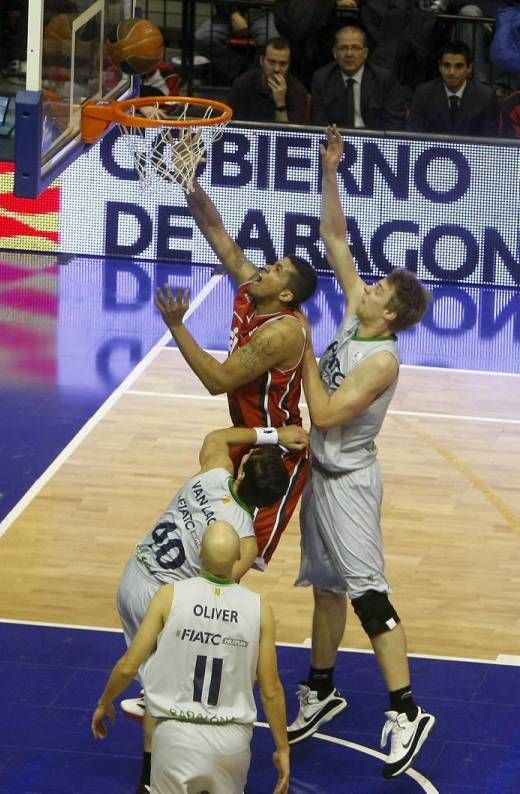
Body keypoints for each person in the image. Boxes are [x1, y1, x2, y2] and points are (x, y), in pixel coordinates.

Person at [287, 126, 436, 780]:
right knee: (324, 589)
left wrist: (299, 347)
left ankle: (407, 711)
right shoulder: (354, 314)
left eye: (379, 291)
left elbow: (320, 412)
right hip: (319, 477)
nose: (367, 286)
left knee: (369, 596)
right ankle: (322, 689)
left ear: (392, 316)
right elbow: (336, 240)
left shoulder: (380, 361)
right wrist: (329, 170)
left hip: (348, 482)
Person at [117, 424, 307, 792]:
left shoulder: (212, 474)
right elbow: (211, 586)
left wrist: (274, 436)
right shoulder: (245, 543)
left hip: (132, 576)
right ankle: (150, 776)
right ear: (268, 505)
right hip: (160, 599)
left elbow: (218, 437)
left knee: (159, 682)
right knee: (172, 696)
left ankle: (152, 697)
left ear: (243, 466)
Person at [154, 188, 318, 568]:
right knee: (205, 538)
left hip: (276, 452)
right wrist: (187, 178)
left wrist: (177, 326)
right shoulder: (252, 292)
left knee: (237, 559)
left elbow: (218, 380)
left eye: (277, 271)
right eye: (271, 263)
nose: (265, 269)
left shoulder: (280, 333)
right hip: (244, 435)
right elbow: (220, 235)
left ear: (287, 294)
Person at [92, 521, 290, 794]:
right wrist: (282, 748)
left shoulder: (169, 596)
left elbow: (128, 666)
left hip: (176, 737)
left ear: (198, 552)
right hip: (231, 741)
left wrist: (105, 701)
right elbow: (271, 690)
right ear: (237, 559)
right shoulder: (259, 609)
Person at [311, 25, 406, 130]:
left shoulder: (384, 79)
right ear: (335, 53)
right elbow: (319, 124)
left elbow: (394, 124)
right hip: (337, 141)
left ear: (365, 53)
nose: (349, 54)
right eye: (343, 48)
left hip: (374, 141)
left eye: (356, 48)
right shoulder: (322, 79)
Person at [408, 40, 499, 136]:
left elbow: (489, 139)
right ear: (439, 67)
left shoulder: (485, 96)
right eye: (446, 65)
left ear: (469, 68)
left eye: (458, 66)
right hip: (433, 150)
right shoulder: (423, 93)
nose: (451, 72)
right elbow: (415, 135)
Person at [227, 36, 308, 124]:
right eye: (271, 62)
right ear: (262, 61)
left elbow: (289, 136)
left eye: (283, 64)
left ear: (289, 65)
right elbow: (232, 126)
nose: (277, 69)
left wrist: (280, 103)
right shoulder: (243, 84)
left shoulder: (298, 91)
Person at [195, 2, 279, 84]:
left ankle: (258, 81)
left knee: (272, 42)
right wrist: (233, 13)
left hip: (262, 13)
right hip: (227, 14)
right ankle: (244, 73)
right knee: (202, 38)